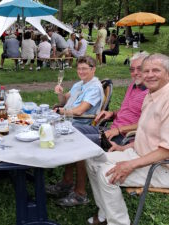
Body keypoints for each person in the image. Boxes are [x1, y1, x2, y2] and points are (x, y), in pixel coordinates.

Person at [46, 52, 149, 207]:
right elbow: (127, 112)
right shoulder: (133, 86)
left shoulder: (151, 93)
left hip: (125, 137)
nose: (135, 73)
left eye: (139, 69)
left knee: (80, 142)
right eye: (132, 69)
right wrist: (112, 114)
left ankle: (80, 193)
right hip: (111, 129)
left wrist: (119, 129)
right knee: (74, 134)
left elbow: (146, 124)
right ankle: (67, 182)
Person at [86, 53, 169, 225]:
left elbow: (168, 150)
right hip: (139, 154)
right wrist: (124, 148)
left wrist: (130, 164)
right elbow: (149, 136)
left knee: (106, 174)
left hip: (164, 168)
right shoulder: (151, 94)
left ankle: (118, 222)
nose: (149, 75)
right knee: (91, 157)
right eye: (146, 70)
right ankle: (105, 213)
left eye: (156, 70)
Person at [53, 56, 104, 126]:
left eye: (84, 69)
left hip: (75, 125)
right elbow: (64, 101)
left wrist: (60, 111)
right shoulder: (79, 84)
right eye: (79, 69)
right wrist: (60, 93)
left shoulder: (94, 88)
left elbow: (79, 111)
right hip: (65, 119)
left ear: (93, 69)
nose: (80, 72)